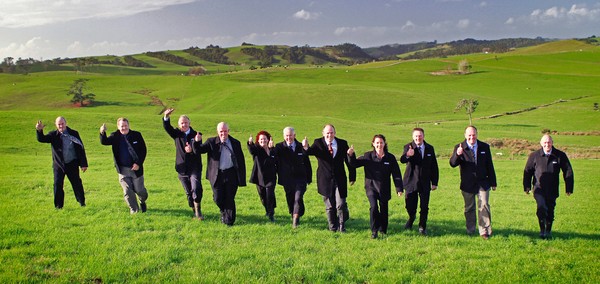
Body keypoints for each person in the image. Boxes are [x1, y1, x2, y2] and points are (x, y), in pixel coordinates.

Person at [348, 134, 403, 239]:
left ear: (384, 144)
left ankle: (383, 230)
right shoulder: (368, 156)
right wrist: (351, 155)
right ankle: (374, 231)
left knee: (384, 209)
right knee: (373, 207)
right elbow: (354, 164)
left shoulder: (390, 158)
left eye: (381, 142)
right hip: (371, 187)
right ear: (373, 144)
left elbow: (396, 174)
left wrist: (399, 188)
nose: (379, 145)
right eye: (377, 143)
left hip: (384, 187)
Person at [304, 124, 356, 232]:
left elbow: (349, 161)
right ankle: (332, 227)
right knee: (330, 206)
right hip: (325, 180)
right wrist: (305, 147)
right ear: (323, 133)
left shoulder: (342, 143)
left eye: (331, 132)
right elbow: (309, 153)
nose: (329, 135)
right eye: (327, 133)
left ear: (335, 133)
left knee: (341, 204)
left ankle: (342, 227)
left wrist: (352, 175)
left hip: (340, 179)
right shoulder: (318, 143)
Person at [449, 125, 497, 239]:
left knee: (484, 205)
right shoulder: (459, 147)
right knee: (469, 207)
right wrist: (458, 154)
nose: (472, 137)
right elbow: (452, 164)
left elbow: (489, 165)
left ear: (477, 134)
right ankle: (470, 229)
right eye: (469, 135)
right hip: (467, 183)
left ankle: (484, 231)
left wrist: (493, 182)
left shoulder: (484, 147)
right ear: (465, 135)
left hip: (483, 182)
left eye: (474, 135)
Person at [523, 134, 574, 239]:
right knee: (541, 207)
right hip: (539, 188)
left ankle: (548, 231)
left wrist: (569, 187)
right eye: (545, 142)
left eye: (549, 142)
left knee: (550, 210)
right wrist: (526, 186)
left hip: (552, 188)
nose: (547, 144)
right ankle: (542, 230)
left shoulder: (560, 155)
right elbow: (528, 171)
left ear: (552, 143)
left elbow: (568, 171)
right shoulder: (534, 155)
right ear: (541, 143)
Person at [196, 122, 246, 226]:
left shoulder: (235, 143)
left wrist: (241, 177)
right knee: (218, 198)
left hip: (231, 174)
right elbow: (199, 150)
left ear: (228, 131)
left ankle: (229, 221)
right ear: (217, 132)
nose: (223, 133)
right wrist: (197, 141)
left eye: (225, 131)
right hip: (217, 175)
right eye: (221, 131)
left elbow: (241, 161)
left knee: (229, 198)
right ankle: (224, 211)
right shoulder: (211, 142)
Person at [36, 117, 88, 209]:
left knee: (77, 184)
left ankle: (82, 203)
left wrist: (83, 164)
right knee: (57, 184)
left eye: (62, 123)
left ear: (66, 123)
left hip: (72, 164)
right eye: (59, 124)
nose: (61, 126)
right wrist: (39, 131)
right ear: (56, 125)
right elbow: (42, 139)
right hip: (59, 165)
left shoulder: (74, 133)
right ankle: (58, 206)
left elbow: (81, 148)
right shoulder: (53, 135)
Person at [100, 118, 148, 214]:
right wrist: (102, 133)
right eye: (122, 126)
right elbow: (104, 142)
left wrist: (138, 163)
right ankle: (134, 210)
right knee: (127, 191)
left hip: (136, 169)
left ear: (129, 125)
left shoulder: (136, 135)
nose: (124, 128)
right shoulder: (115, 136)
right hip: (123, 170)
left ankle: (142, 201)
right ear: (118, 127)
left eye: (125, 125)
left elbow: (143, 150)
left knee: (140, 190)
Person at [163, 108, 204, 220]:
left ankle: (198, 213)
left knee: (196, 188)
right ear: (179, 125)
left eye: (186, 122)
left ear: (189, 123)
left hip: (194, 167)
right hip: (181, 169)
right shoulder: (177, 134)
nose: (184, 124)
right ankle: (193, 209)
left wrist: (193, 147)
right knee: (188, 193)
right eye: (182, 123)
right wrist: (166, 117)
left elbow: (199, 149)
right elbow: (167, 127)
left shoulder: (197, 134)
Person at [400, 127, 439, 235]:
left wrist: (434, 182)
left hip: (425, 182)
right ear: (413, 137)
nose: (418, 138)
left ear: (423, 136)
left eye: (420, 135)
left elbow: (434, 166)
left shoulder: (430, 148)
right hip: (410, 181)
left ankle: (422, 226)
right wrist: (408, 155)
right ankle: (411, 217)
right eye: (416, 136)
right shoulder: (408, 147)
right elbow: (402, 160)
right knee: (410, 205)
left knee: (424, 206)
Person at [271, 127, 312, 228]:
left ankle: (295, 221)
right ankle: (294, 213)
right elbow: (272, 159)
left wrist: (309, 178)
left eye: (290, 135)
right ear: (284, 136)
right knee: (290, 198)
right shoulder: (279, 147)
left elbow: (307, 162)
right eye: (286, 136)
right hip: (287, 179)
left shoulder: (300, 146)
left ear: (295, 135)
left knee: (298, 197)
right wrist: (271, 148)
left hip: (300, 178)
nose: (288, 138)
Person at [247, 131, 277, 221]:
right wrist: (250, 143)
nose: (263, 140)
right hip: (259, 177)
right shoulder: (257, 149)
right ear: (258, 141)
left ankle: (271, 213)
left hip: (271, 177)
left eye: (264, 139)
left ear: (268, 140)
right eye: (261, 139)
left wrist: (271, 149)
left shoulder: (273, 149)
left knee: (270, 194)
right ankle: (268, 210)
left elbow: (275, 160)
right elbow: (251, 150)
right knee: (263, 196)